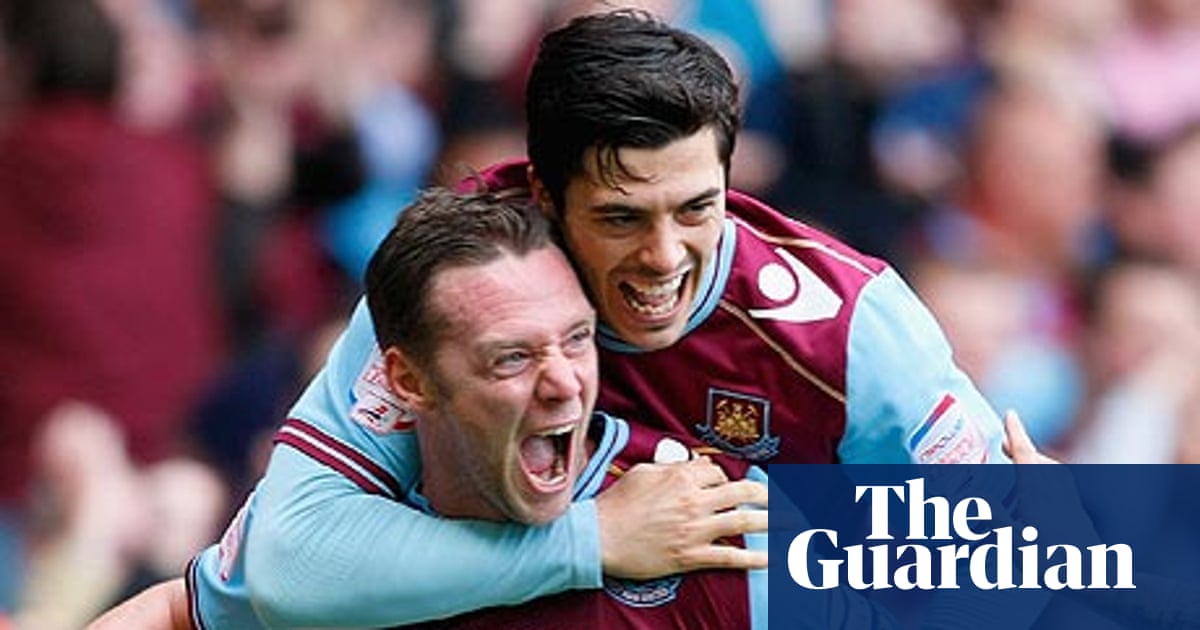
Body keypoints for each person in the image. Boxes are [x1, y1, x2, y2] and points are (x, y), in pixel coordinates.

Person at [161, 9, 1022, 628]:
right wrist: (593, 541)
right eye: (621, 217)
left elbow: (1020, 560)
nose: (664, 256)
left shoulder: (845, 330)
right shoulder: (462, 275)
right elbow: (280, 569)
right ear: (542, 195)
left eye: (697, 209)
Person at [93, 188, 768, 629]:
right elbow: (182, 612)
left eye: (577, 339)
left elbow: (871, 564)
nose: (563, 381)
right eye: (512, 357)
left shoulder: (712, 517)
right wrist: (586, 542)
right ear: (408, 384)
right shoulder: (341, 559)